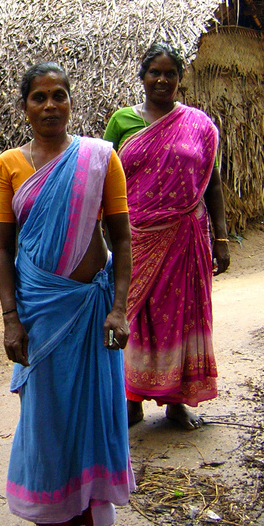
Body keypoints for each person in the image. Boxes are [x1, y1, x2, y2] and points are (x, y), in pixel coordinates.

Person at [0, 63, 135, 526]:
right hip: (38, 310)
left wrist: (119, 308)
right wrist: (11, 317)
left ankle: (79, 517)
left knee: (91, 411)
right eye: (38, 97)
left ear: (72, 102)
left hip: (91, 310)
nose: (50, 105)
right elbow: (3, 249)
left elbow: (121, 237)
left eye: (59, 96)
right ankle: (58, 523)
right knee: (47, 416)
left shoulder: (100, 158)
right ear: (24, 106)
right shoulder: (9, 165)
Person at [104, 42, 230, 431]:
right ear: (142, 77)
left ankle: (178, 402)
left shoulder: (199, 125)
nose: (162, 79)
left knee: (181, 317)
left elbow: (212, 183)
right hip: (134, 237)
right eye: (154, 72)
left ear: (180, 79)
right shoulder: (123, 122)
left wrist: (221, 239)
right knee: (134, 316)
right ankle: (131, 398)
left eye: (170, 73)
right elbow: (105, 179)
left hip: (185, 236)